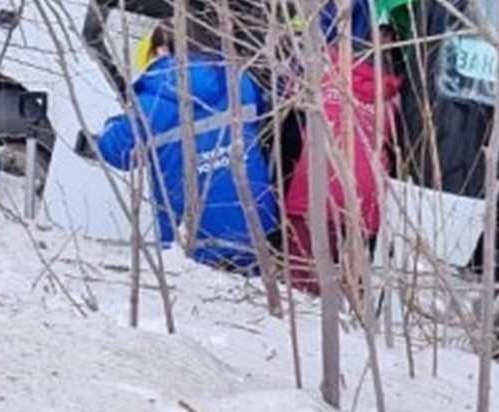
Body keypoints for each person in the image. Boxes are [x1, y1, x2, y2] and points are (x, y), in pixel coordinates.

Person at [98, 22, 278, 273]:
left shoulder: (155, 96)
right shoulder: (241, 80)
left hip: (193, 236)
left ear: (161, 50)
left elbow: (117, 151)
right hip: (255, 226)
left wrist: (112, 124)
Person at [283, 33, 404, 293]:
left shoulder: (320, 77)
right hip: (366, 205)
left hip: (313, 192)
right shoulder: (393, 98)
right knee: (348, 294)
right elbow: (397, 152)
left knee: (301, 292)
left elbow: (288, 134)